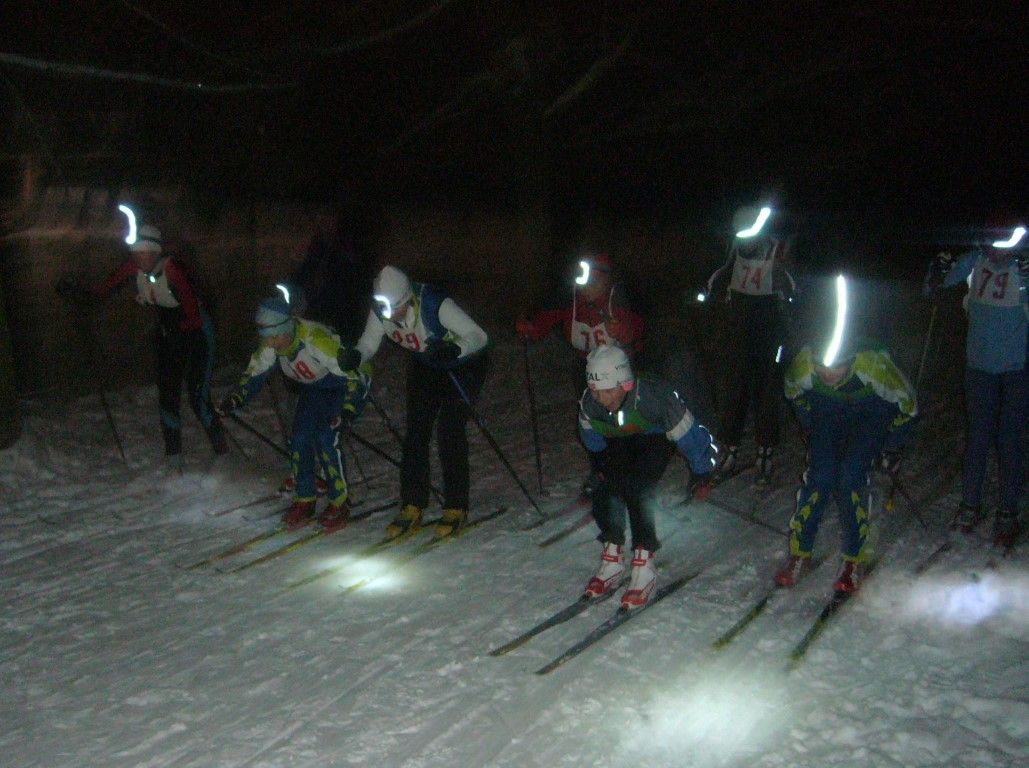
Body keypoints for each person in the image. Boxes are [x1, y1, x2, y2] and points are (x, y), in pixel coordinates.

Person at [777, 274, 917, 593]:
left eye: (836, 368)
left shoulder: (874, 365)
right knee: (821, 476)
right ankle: (800, 552)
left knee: (850, 477)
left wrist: (892, 444)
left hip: (870, 412)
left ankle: (854, 559)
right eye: (821, 367)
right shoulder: (805, 366)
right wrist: (811, 426)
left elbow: (908, 406)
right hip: (827, 410)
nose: (827, 373)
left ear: (851, 360)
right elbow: (794, 394)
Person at [58, 205, 227, 464]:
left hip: (198, 334)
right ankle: (173, 455)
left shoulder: (173, 271)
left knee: (197, 395)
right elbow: (102, 291)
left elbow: (193, 315)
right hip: (171, 332)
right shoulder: (133, 268)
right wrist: (75, 293)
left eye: (144, 253)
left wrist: (174, 333)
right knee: (167, 392)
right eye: (136, 253)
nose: (139, 258)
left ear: (156, 252)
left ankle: (221, 451)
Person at [353, 265, 490, 540]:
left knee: (449, 429)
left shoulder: (435, 304)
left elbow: (479, 336)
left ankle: (456, 505)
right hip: (426, 363)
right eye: (385, 312)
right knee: (416, 432)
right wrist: (354, 357)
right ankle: (413, 503)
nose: (389, 317)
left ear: (407, 300)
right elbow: (368, 343)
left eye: (395, 310)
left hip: (463, 363)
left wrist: (455, 348)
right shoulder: (382, 309)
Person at [578, 345, 717, 609]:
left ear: (626, 384)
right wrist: (599, 468)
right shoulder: (591, 403)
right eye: (596, 391)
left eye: (608, 391)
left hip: (656, 438)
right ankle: (612, 555)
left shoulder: (656, 399)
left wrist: (702, 472)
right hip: (620, 439)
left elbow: (691, 436)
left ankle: (644, 563)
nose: (602, 398)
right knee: (607, 487)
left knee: (638, 487)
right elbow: (592, 439)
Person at [219, 297, 370, 533]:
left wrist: (349, 410)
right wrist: (236, 398)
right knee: (299, 438)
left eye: (275, 336)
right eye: (267, 338)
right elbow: (255, 373)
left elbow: (355, 374)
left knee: (326, 436)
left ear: (285, 329)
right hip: (315, 387)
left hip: (343, 384)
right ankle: (305, 498)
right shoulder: (272, 344)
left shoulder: (314, 340)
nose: (271, 343)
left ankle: (339, 502)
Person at [924, 217, 1027, 548]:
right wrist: (937, 269)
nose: (996, 252)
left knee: (1008, 440)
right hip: (978, 366)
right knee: (978, 438)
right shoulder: (973, 261)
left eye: (1004, 245)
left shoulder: (1023, 269)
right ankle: (970, 504)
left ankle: (1007, 510)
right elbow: (934, 287)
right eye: (992, 243)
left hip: (1016, 368)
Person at [516, 252, 646, 496]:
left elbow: (638, 326)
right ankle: (600, 471)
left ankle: (627, 470)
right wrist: (529, 329)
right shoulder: (571, 300)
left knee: (621, 421)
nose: (588, 289)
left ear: (606, 281)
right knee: (591, 422)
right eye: (585, 283)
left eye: (595, 283)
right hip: (586, 369)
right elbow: (544, 322)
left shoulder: (618, 298)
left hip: (622, 372)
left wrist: (622, 329)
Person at [704, 204, 796, 485]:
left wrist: (784, 283)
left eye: (750, 239)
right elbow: (715, 280)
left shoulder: (776, 250)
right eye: (742, 238)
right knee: (733, 388)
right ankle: (730, 448)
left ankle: (764, 450)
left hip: (769, 327)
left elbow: (793, 289)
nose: (746, 244)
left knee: (767, 391)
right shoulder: (734, 248)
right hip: (739, 326)